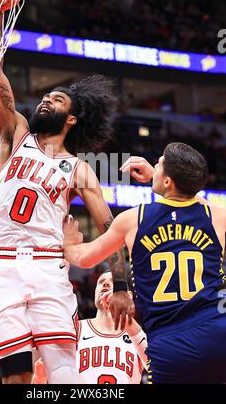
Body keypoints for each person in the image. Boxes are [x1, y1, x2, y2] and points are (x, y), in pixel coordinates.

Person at [0, 0, 133, 386]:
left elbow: (109, 228)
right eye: (46, 97)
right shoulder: (16, 135)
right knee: (15, 378)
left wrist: (121, 285)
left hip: (50, 267)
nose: (47, 102)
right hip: (3, 266)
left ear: (72, 120)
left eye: (57, 101)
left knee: (65, 376)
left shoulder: (80, 169)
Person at [63, 142, 226, 384]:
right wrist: (167, 179)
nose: (154, 167)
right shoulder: (217, 216)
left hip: (169, 344)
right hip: (217, 334)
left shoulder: (132, 220)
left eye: (159, 164)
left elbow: (85, 258)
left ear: (168, 181)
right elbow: (194, 200)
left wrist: (68, 244)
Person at [33, 271, 147, 384]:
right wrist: (39, 379)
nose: (105, 284)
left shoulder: (137, 336)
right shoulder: (74, 329)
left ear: (128, 296)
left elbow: (158, 367)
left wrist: (126, 320)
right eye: (101, 282)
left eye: (113, 282)